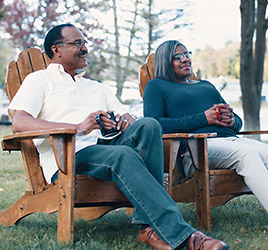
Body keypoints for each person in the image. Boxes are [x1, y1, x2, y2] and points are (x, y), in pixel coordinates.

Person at [8, 24, 230, 250]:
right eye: (78, 43)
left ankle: (148, 227)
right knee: (123, 155)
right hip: (69, 156)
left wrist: (122, 123)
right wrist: (77, 127)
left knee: (149, 125)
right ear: (56, 49)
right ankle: (184, 237)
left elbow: (130, 120)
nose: (85, 48)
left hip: (107, 146)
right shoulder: (39, 81)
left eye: (85, 43)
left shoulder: (95, 87)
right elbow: (20, 122)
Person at [143, 40, 268, 239]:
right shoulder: (157, 86)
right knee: (248, 154)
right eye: (178, 57)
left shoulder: (206, 85)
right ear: (166, 61)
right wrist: (203, 118)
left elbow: (237, 121)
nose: (185, 59)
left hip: (230, 141)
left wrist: (231, 120)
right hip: (197, 150)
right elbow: (154, 124)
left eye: (187, 54)